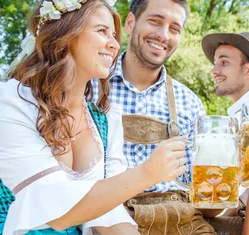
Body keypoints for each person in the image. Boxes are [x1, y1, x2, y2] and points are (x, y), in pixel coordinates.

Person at [0, 0, 190, 234]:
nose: (113, 44)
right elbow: (53, 210)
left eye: (113, 35)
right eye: (102, 31)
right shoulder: (11, 101)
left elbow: (107, 212)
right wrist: (147, 173)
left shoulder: (105, 120)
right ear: (66, 33)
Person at [90, 0, 214, 234]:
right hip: (111, 218)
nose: (163, 35)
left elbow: (206, 204)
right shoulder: (90, 88)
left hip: (183, 220)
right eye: (155, 21)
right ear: (130, 22)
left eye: (174, 29)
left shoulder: (189, 103)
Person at [200, 32, 249, 235]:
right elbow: (244, 189)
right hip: (244, 217)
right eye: (215, 63)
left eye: (224, 62)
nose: (214, 70)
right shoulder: (244, 111)